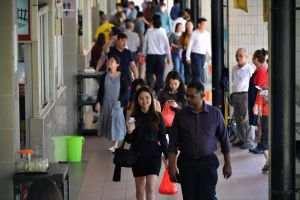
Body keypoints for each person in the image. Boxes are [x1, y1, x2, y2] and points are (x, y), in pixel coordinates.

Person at [168, 82, 232, 200]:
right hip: (187, 163)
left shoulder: (215, 114)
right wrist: (171, 165)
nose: (188, 99)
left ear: (203, 96)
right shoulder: (181, 115)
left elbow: (224, 140)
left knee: (208, 196)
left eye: (192, 96)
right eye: (187, 96)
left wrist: (227, 163)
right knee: (189, 197)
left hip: (208, 163)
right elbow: (172, 143)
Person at [126, 86, 168, 200]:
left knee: (150, 189)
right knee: (139, 191)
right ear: (137, 100)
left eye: (147, 97)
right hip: (137, 156)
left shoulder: (158, 116)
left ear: (151, 99)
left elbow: (163, 138)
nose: (144, 101)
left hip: (153, 156)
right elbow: (128, 141)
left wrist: (167, 157)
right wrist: (129, 131)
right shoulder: (132, 118)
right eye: (141, 98)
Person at [95, 55, 128, 152]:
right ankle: (114, 144)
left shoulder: (122, 76)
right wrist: (98, 102)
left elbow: (125, 90)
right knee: (109, 123)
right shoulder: (104, 76)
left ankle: (115, 145)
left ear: (117, 64)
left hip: (117, 104)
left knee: (117, 123)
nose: (110, 62)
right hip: (106, 103)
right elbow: (100, 91)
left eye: (112, 61)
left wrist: (120, 100)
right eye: (109, 61)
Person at [231, 48, 255, 149]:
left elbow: (254, 84)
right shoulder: (234, 68)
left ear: (246, 56)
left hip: (246, 95)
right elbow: (233, 81)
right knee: (238, 119)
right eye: (237, 55)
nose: (238, 57)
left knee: (247, 119)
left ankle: (249, 141)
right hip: (236, 94)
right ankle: (241, 139)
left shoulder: (250, 68)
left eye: (240, 55)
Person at [142, 14, 171, 94]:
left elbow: (145, 44)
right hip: (161, 56)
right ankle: (157, 90)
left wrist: (143, 54)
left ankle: (150, 82)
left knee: (149, 71)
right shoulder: (163, 31)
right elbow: (166, 45)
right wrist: (169, 56)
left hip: (151, 55)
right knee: (160, 74)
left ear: (153, 22)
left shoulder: (149, 31)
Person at [251, 49, 269, 170]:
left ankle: (268, 162)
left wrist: (257, 106)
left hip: (266, 109)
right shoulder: (264, 70)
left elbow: (261, 91)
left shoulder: (262, 71)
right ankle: (268, 162)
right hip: (265, 108)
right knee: (264, 135)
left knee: (265, 137)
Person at [158, 71, 186, 135]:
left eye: (175, 84)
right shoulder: (162, 93)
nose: (173, 86)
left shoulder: (184, 94)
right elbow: (157, 108)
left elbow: (187, 110)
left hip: (179, 122)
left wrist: (177, 107)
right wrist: (164, 105)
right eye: (170, 84)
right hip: (165, 122)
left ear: (180, 82)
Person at [186, 18, 211, 83]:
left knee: (198, 72)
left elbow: (208, 46)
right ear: (199, 25)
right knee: (197, 73)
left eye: (205, 24)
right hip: (195, 55)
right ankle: (197, 88)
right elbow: (189, 45)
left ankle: (194, 86)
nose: (205, 26)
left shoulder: (207, 34)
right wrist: (187, 57)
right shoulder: (194, 33)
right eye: (203, 24)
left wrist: (211, 56)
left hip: (203, 55)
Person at [178, 20, 194, 85]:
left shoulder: (195, 33)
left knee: (193, 68)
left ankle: (193, 81)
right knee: (187, 68)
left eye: (190, 24)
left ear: (193, 26)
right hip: (185, 53)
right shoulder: (184, 34)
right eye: (187, 24)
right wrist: (183, 47)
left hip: (194, 53)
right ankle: (188, 82)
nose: (188, 26)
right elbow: (179, 44)